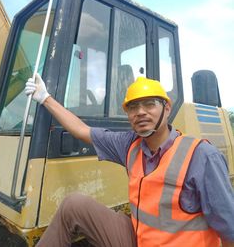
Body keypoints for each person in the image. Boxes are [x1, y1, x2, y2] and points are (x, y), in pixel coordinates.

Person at [25, 74, 234, 247]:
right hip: (139, 239)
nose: (140, 112)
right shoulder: (129, 145)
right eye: (133, 107)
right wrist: (45, 98)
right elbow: (82, 130)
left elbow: (230, 229)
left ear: (167, 109)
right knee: (74, 205)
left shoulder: (202, 156)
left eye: (149, 104)